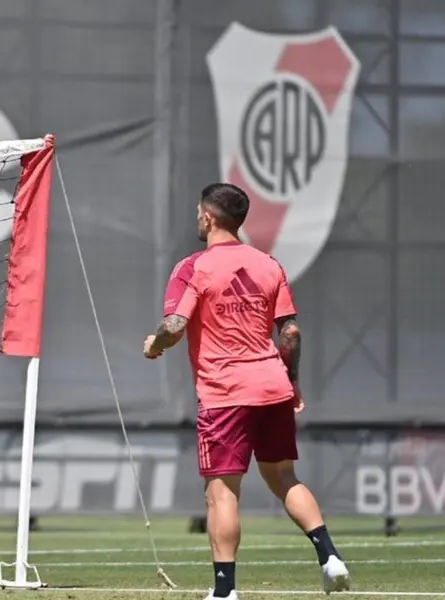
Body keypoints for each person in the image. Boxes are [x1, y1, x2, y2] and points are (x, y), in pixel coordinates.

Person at [142, 183, 351, 599]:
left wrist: (154, 344)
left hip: (225, 393)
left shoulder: (194, 267)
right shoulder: (268, 264)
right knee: (284, 476)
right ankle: (330, 557)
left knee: (221, 493)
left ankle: (225, 591)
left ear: (208, 217)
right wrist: (292, 382)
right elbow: (290, 332)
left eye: (199, 212)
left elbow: (175, 326)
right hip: (272, 388)